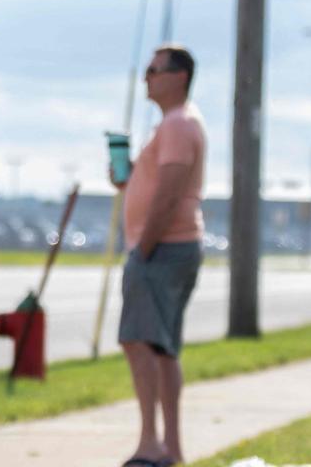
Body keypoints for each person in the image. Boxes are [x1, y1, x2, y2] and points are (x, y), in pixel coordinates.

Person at [110, 45, 207, 467]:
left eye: (154, 70)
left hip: (162, 248)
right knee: (163, 348)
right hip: (172, 247)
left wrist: (143, 249)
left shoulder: (179, 123)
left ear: (179, 77)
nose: (146, 77)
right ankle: (170, 448)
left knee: (139, 340)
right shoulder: (173, 126)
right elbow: (155, 184)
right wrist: (128, 179)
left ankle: (151, 444)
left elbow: (169, 194)